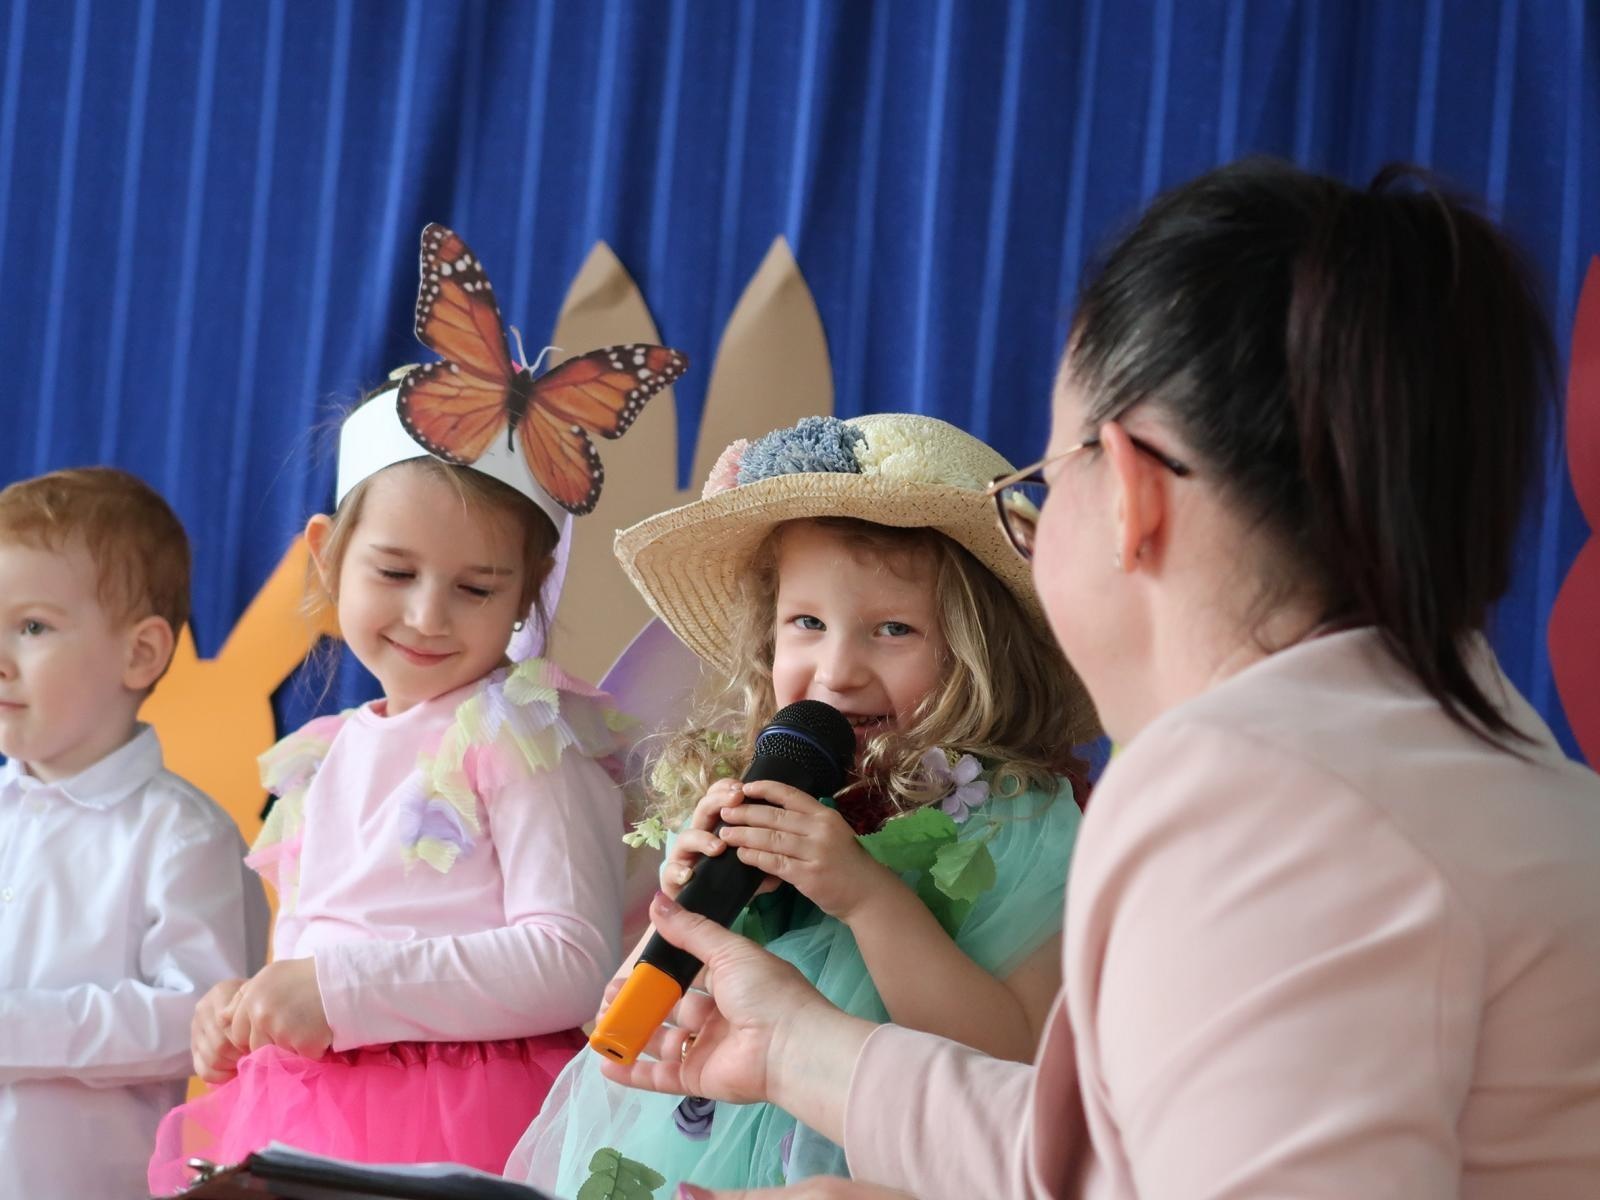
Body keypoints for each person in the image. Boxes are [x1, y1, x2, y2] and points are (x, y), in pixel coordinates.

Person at [597, 159, 1600, 1199]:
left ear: (1126, 490)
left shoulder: (1258, 793)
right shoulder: (1510, 779)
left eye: (1037, 486)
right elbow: (1109, 1157)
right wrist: (799, 1047)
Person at [507, 413, 1099, 1195]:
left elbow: (1015, 1060)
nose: (838, 669)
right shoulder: (756, 787)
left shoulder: (1018, 817)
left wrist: (863, 894)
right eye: (808, 624)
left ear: (977, 649)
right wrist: (688, 912)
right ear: (767, 637)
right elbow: (641, 1036)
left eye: (893, 629)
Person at [147, 373, 632, 1190]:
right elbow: (312, 951)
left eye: (476, 587)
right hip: (307, 1109)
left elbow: (572, 959)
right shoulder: (325, 753)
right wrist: (246, 1009)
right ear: (326, 556)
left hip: (468, 1118)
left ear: (527, 588)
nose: (429, 616)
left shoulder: (525, 737)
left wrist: (339, 990)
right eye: (395, 573)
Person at [0, 467, 268, 1198]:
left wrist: (16, 1029)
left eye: (31, 627)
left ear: (140, 654)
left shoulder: (183, 835)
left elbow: (200, 1016)